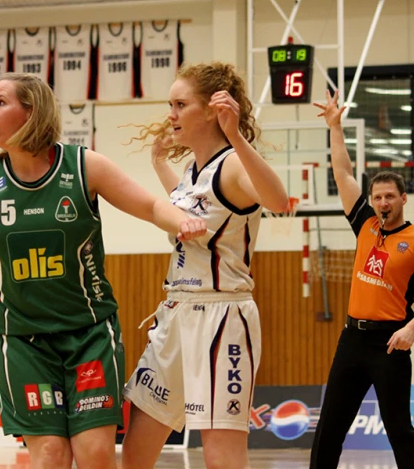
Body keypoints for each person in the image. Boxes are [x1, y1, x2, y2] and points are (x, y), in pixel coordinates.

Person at [0, 73, 207, 469]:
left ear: (31, 112)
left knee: (96, 454)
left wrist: (181, 221)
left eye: (1, 102)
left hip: (88, 334)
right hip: (21, 340)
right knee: (50, 455)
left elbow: (151, 206)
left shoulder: (84, 165)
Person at [121, 62, 290, 469]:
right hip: (177, 313)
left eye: (180, 104)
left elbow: (279, 200)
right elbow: (184, 208)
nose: (171, 114)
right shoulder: (192, 171)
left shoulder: (233, 164)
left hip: (222, 316)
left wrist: (235, 135)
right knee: (136, 450)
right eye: (170, 104)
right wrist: (160, 164)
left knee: (221, 458)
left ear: (212, 111)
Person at [309, 90, 414, 469]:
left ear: (403, 198)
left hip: (391, 342)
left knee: (398, 429)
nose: (383, 202)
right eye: (377, 197)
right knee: (329, 428)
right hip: (352, 338)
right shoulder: (366, 225)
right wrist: (335, 127)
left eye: (390, 196)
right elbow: (343, 173)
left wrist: (412, 330)